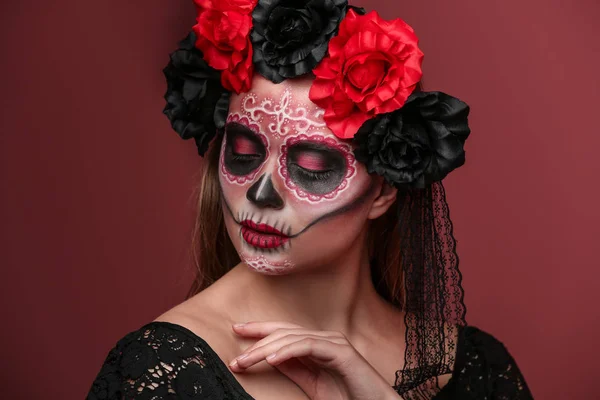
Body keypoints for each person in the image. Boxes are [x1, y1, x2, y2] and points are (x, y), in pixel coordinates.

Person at [86, 1, 533, 399]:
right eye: (243, 153)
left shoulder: (478, 368)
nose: (261, 194)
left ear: (384, 188)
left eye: (313, 167)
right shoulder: (157, 371)